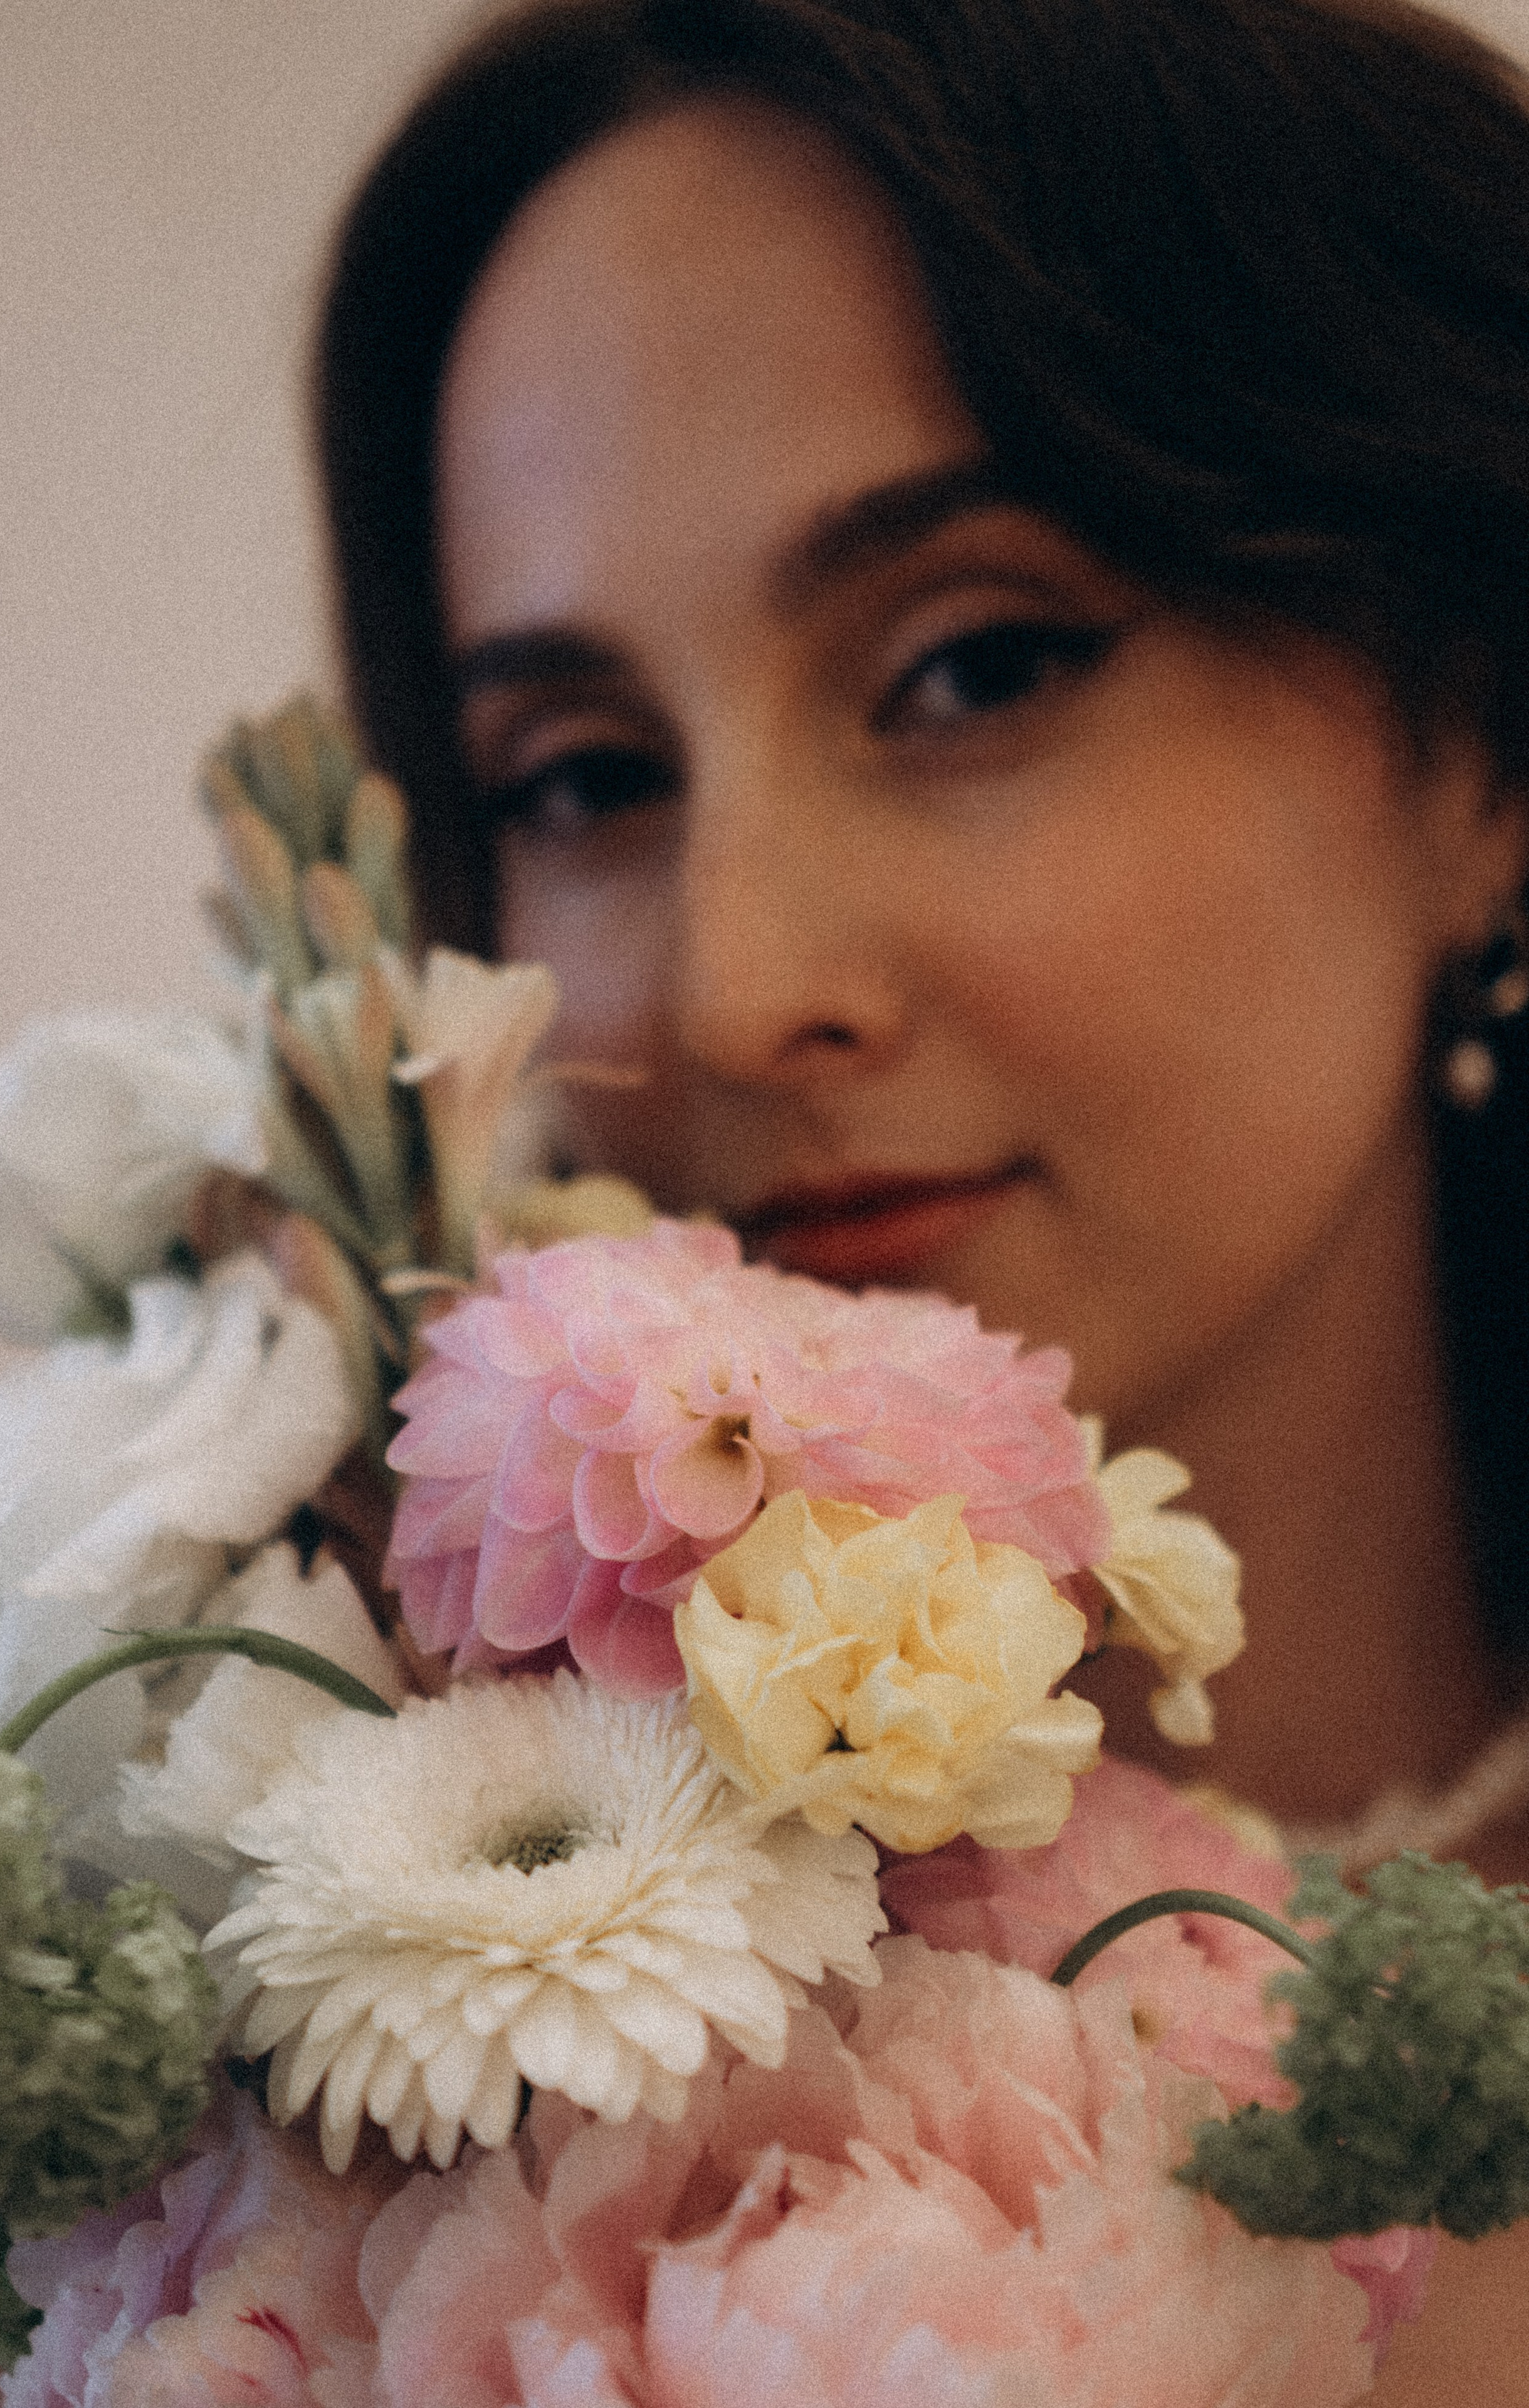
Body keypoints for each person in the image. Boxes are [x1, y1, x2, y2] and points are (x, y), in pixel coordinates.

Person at [308, 1, 1529, 2392]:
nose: (741, 983)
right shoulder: (380, 2048)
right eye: (579, 775)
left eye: (973, 668)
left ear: (1477, 727)